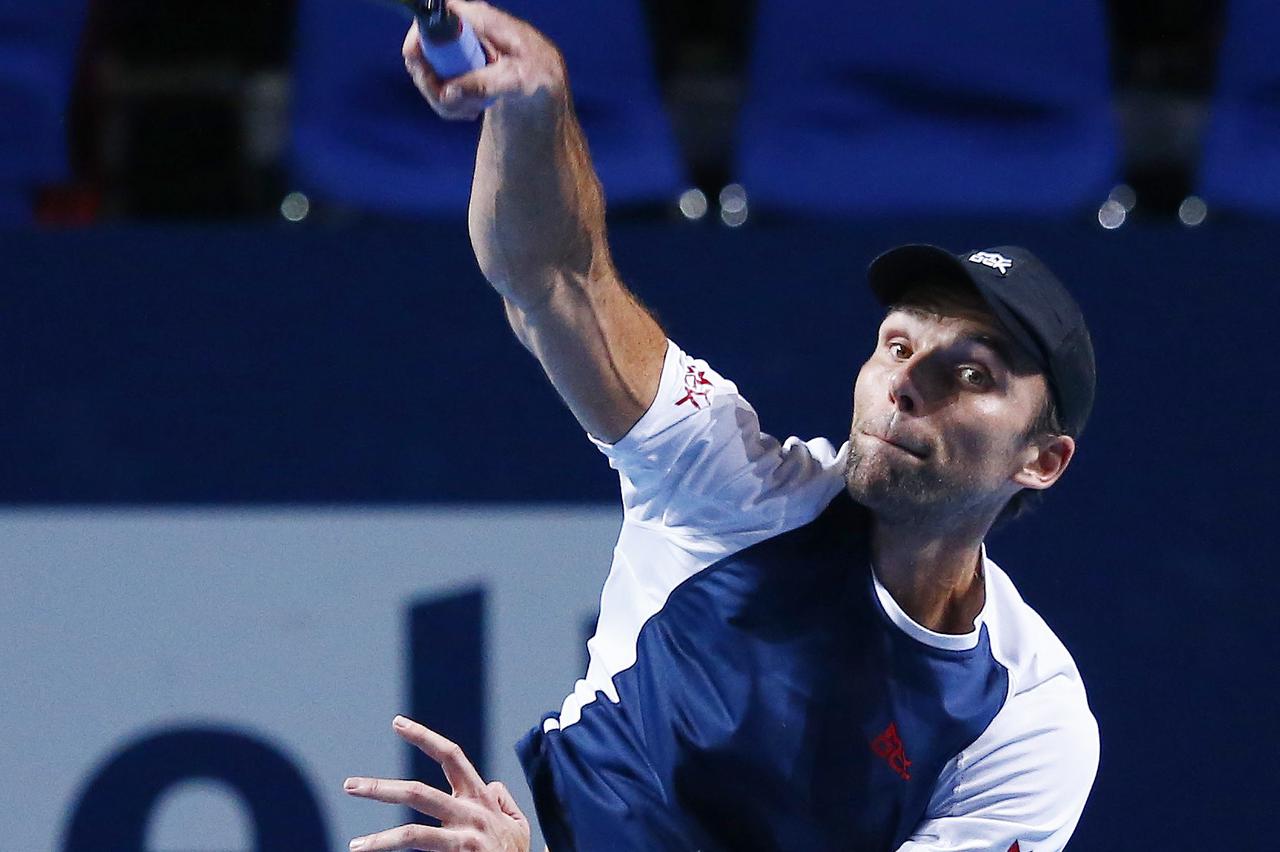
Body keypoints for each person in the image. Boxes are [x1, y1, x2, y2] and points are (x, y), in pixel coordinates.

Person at [342, 2, 1100, 850]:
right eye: (896, 345)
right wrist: (533, 111)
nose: (905, 386)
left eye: (970, 373)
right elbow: (555, 274)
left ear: (1041, 460)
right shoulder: (733, 486)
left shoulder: (1027, 722)